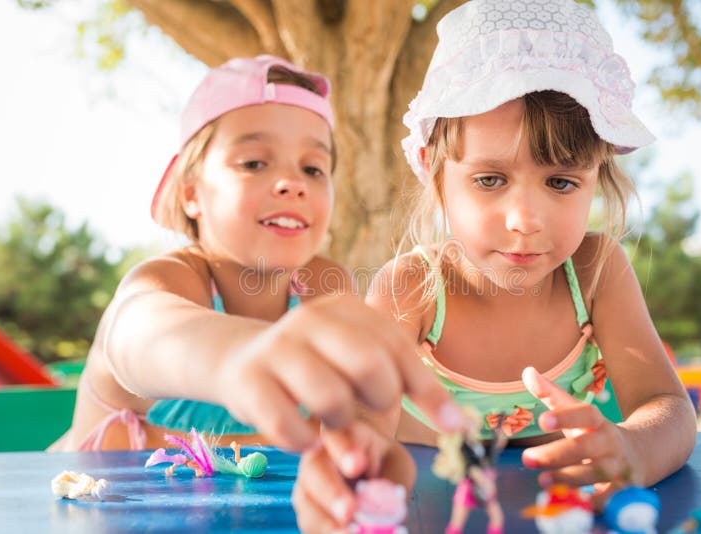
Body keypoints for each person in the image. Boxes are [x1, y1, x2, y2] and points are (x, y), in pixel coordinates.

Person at [294, 0, 697, 531]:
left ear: (596, 180)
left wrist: (633, 449)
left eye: (560, 182)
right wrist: (351, 474)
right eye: (490, 180)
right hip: (431, 499)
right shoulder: (410, 288)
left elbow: (667, 405)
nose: (525, 220)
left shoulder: (597, 269)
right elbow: (359, 426)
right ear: (437, 180)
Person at [49, 55, 463, 455]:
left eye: (313, 169)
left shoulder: (323, 286)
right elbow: (138, 334)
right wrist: (239, 354)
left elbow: (368, 423)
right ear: (191, 193)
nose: (291, 183)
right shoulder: (167, 281)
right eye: (253, 162)